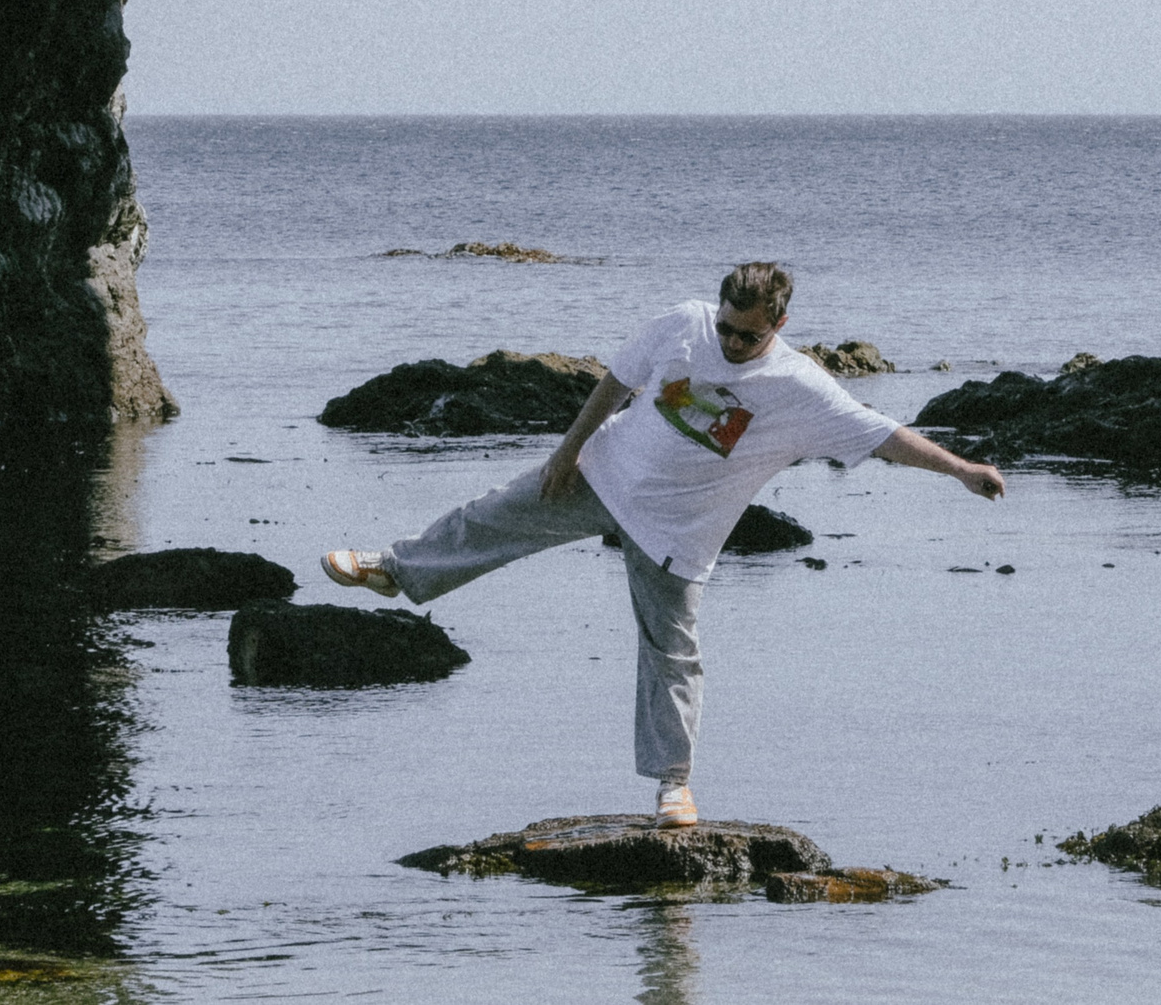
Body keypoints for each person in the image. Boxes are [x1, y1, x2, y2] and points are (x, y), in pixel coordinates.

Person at [322, 261, 1005, 829]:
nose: (733, 344)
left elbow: (883, 435)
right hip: (603, 473)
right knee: (493, 515)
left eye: (748, 336)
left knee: (672, 653)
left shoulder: (800, 387)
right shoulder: (683, 323)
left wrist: (963, 471)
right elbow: (617, 379)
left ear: (779, 326)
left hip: (678, 532)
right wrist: (570, 449)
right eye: (727, 328)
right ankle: (395, 568)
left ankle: (673, 785)